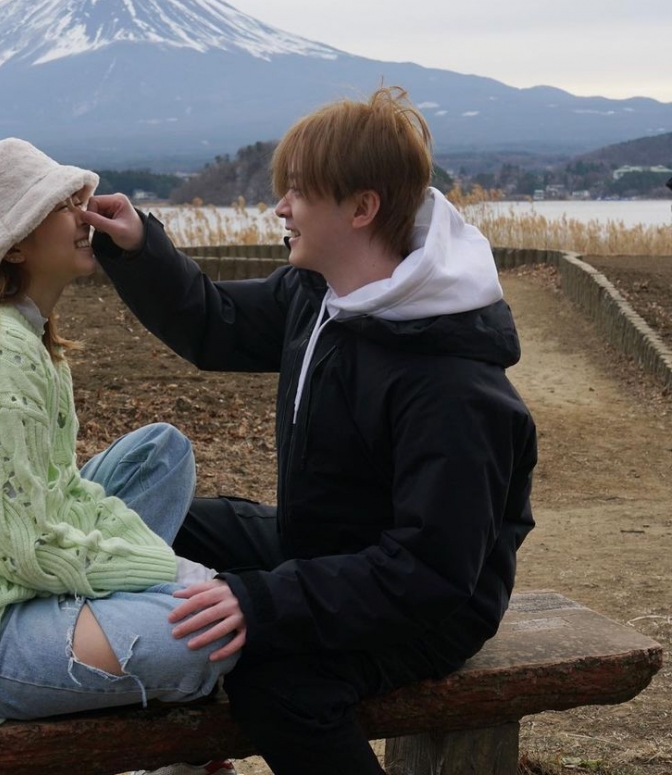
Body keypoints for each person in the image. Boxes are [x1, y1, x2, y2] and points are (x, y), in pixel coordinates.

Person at [84, 87, 538, 775]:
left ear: (361, 208)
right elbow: (215, 326)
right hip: (324, 549)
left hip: (427, 608)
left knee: (276, 683)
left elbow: (432, 572)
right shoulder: (320, 295)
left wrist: (260, 601)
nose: (280, 208)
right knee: (142, 523)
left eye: (297, 192)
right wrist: (141, 248)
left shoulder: (450, 385)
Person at [0, 137, 240, 730]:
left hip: (7, 569)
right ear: (16, 245)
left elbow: (59, 491)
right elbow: (23, 546)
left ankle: (97, 605)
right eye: (64, 203)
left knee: (160, 455)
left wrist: (157, 570)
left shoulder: (32, 339)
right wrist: (175, 574)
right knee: (206, 638)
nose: (85, 212)